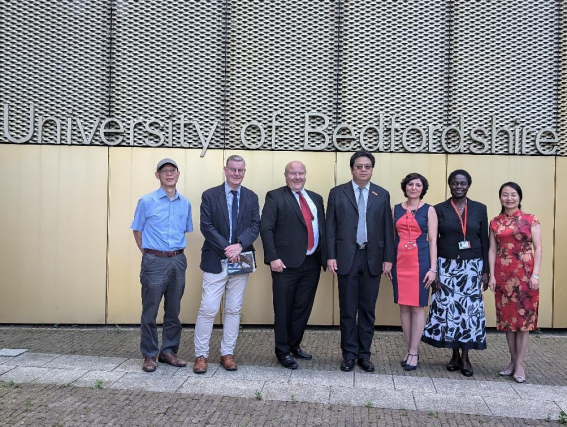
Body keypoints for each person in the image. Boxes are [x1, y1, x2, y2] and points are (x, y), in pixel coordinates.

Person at [326, 150, 395, 372]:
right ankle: (349, 354)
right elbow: (330, 227)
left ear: (372, 169)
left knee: (367, 309)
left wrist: (388, 258)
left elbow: (388, 229)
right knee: (347, 309)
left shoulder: (381, 194)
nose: (363, 170)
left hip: (373, 258)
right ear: (352, 169)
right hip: (347, 257)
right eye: (359, 166)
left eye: (367, 166)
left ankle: (364, 355)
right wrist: (330, 256)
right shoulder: (337, 193)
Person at [193, 155, 260, 374]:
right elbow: (206, 226)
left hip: (241, 259)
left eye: (241, 170)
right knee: (208, 308)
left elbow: (255, 226)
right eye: (233, 169)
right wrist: (228, 248)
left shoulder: (251, 197)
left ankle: (227, 354)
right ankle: (201, 355)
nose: (236, 174)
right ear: (225, 170)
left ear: (244, 171)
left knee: (233, 309)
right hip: (216, 259)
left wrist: (239, 246)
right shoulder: (210, 195)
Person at [422, 169, 489, 377]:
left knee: (469, 313)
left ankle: (465, 357)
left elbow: (485, 240)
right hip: (447, 267)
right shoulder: (438, 209)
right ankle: (453, 354)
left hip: (472, 267)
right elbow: (433, 241)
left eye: (462, 183)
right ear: (449, 185)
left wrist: (486, 270)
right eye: (455, 183)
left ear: (468, 185)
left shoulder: (479, 208)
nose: (459, 186)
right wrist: (434, 270)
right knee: (450, 311)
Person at [260, 161, 327, 369]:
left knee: (302, 308)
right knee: (283, 309)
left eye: (301, 173)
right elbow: (266, 228)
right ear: (286, 175)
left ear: (305, 175)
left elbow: (322, 228)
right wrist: (273, 257)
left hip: (312, 262)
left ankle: (294, 345)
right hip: (285, 264)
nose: (297, 177)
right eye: (292, 173)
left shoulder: (316, 198)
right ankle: (282, 351)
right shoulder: (275, 196)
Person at [131, 158, 193, 373]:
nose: (169, 174)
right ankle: (149, 354)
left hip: (178, 260)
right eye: (164, 171)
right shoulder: (146, 201)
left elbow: (185, 230)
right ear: (157, 175)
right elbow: (137, 230)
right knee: (150, 311)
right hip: (154, 261)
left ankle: (168, 352)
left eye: (172, 170)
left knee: (173, 310)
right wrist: (149, 254)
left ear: (178, 174)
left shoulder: (185, 203)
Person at [488, 182, 542, 383]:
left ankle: (520, 363)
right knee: (508, 322)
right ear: (500, 197)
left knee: (524, 322)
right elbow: (492, 250)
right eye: (505, 195)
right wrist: (492, 276)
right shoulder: (495, 222)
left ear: (519, 197)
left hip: (526, 276)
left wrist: (535, 275)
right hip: (503, 275)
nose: (509, 198)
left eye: (513, 195)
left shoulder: (531, 219)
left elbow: (538, 248)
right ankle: (511, 361)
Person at [386, 173, 437, 371]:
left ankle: (414, 352)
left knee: (417, 307)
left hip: (420, 261)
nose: (413, 188)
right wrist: (388, 262)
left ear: (423, 189)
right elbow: (391, 238)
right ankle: (410, 349)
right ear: (405, 187)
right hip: (400, 262)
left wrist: (433, 269)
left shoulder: (429, 210)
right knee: (404, 307)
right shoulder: (395, 209)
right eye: (410, 184)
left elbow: (433, 241)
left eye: (418, 185)